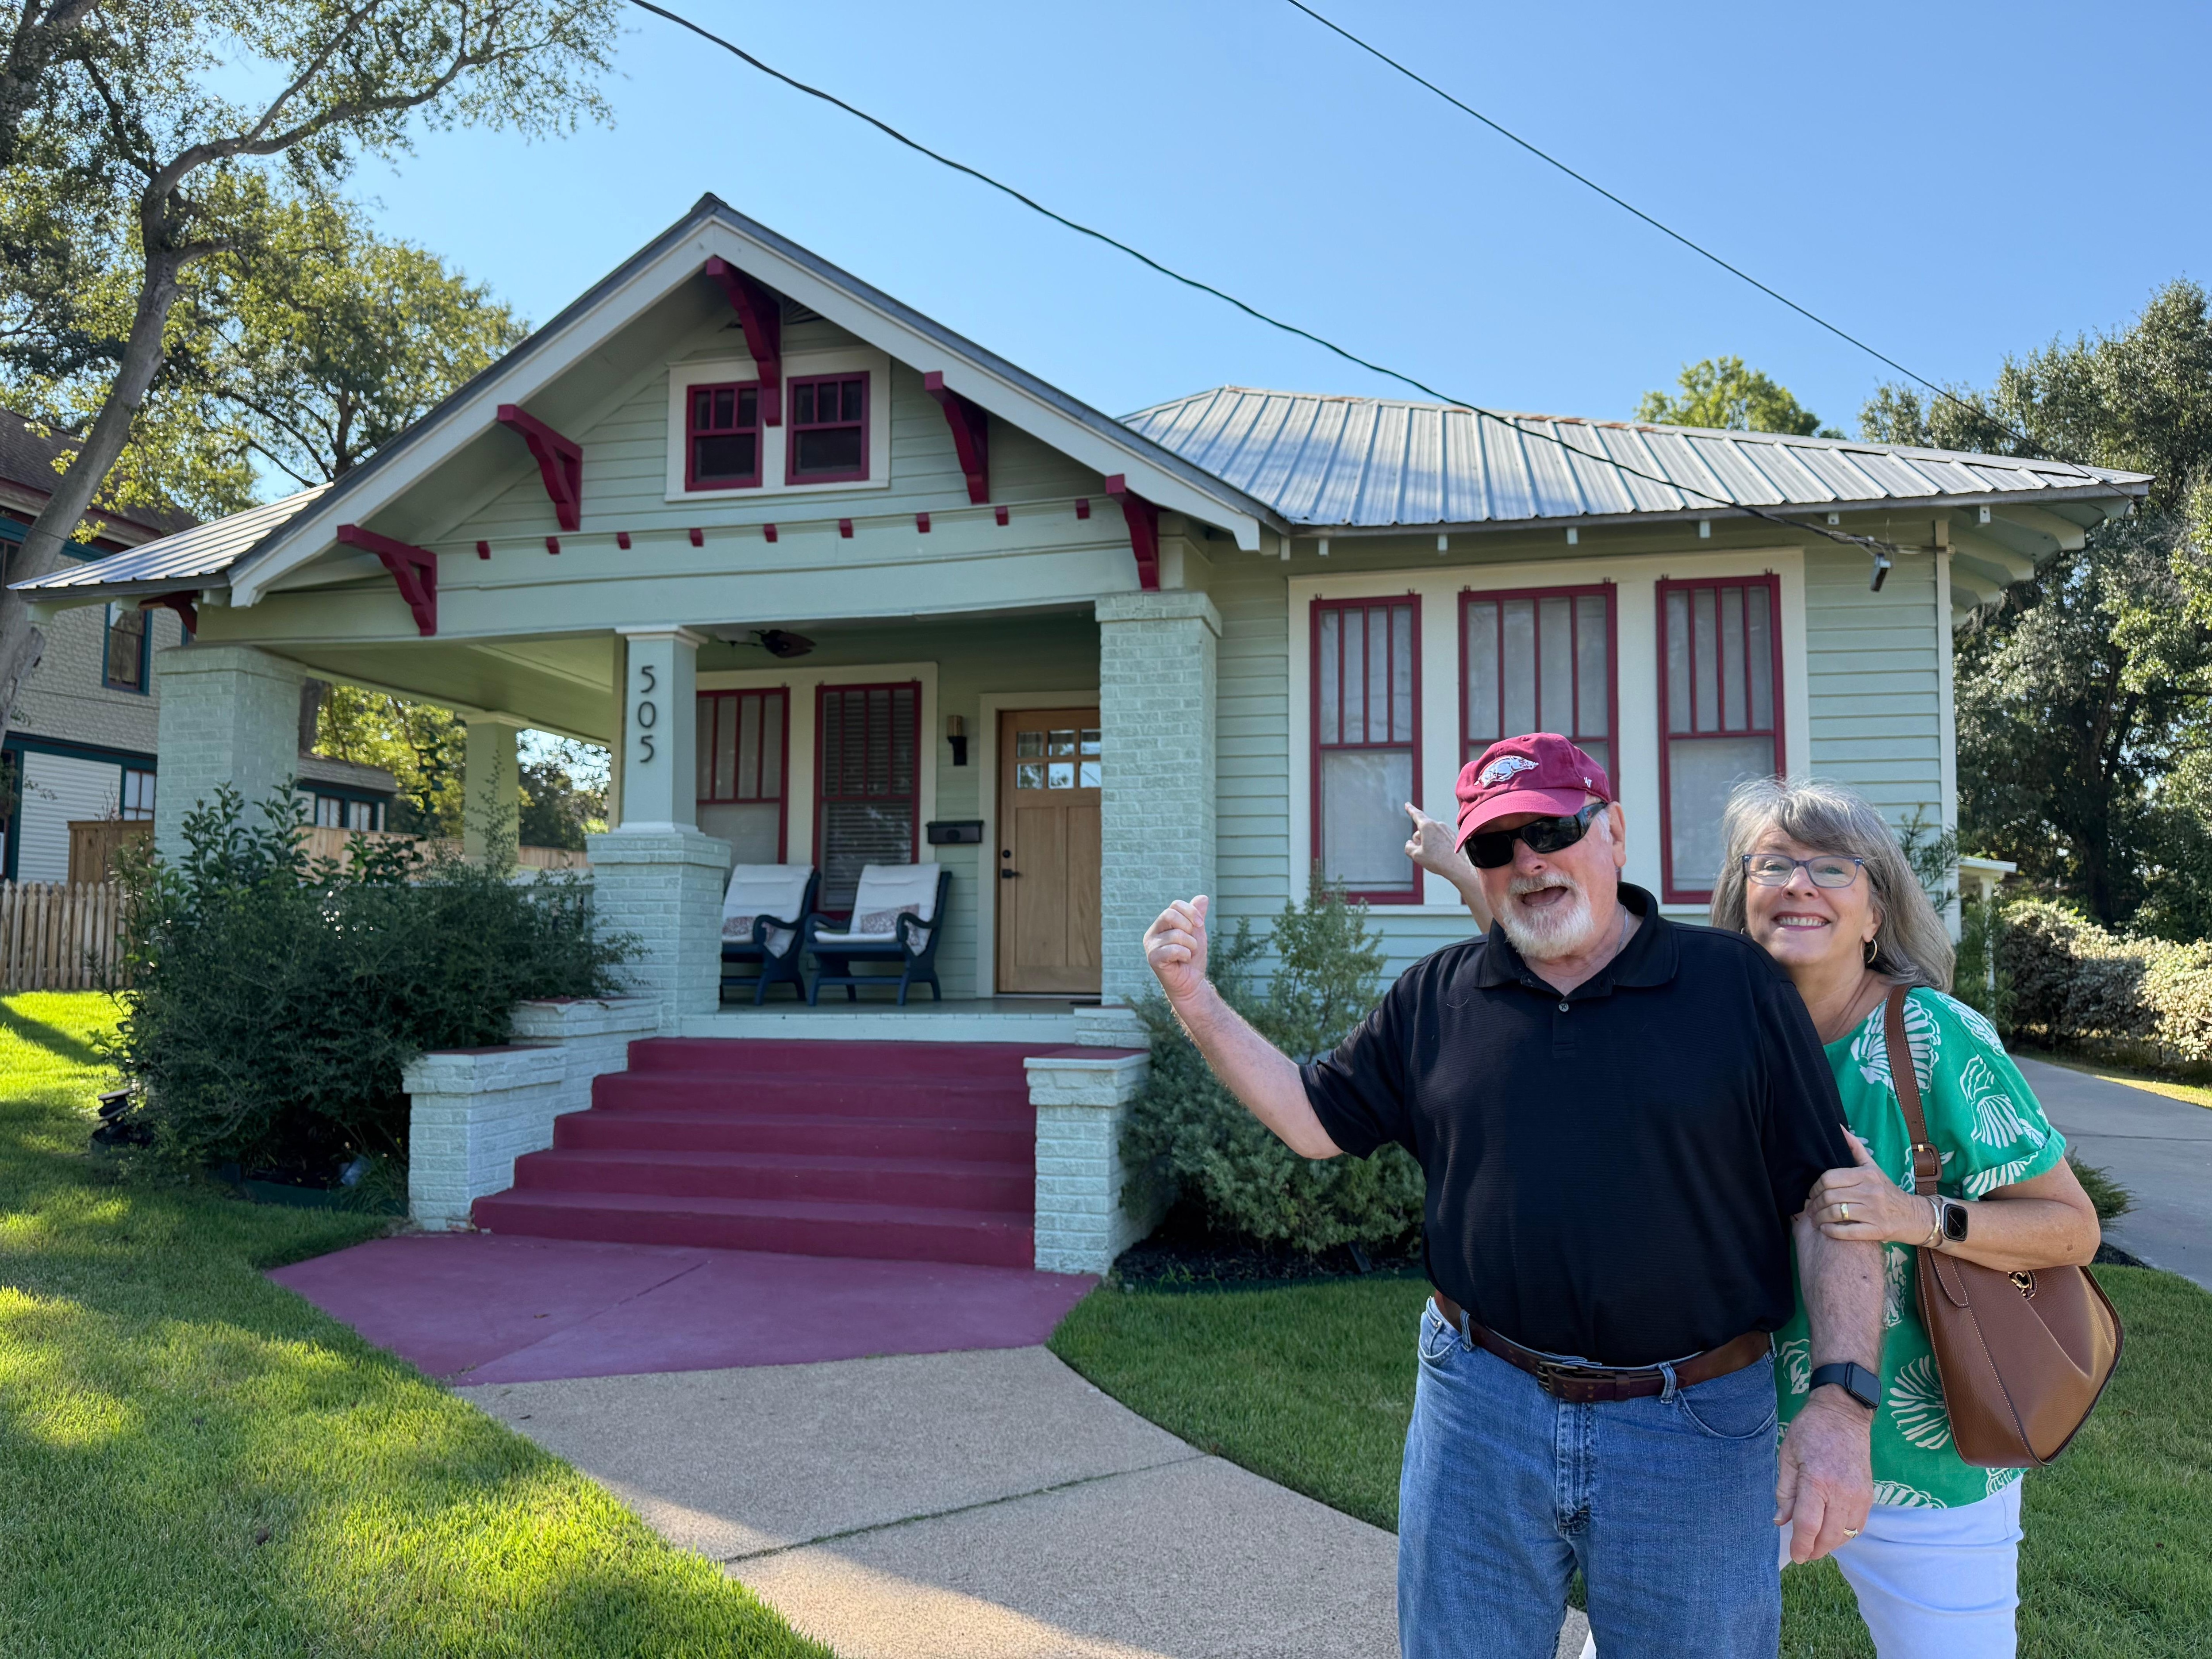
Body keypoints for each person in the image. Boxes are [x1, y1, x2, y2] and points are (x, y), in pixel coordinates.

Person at [1145, 733, 1882, 1659]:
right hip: (1479, 1411)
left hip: (1690, 1428)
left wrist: (1841, 1406)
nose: (1527, 861)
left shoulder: (1733, 988)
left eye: (1551, 829)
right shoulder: (1436, 999)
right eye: (1496, 846)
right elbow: (1310, 1118)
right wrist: (1193, 996)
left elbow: (1828, 1204)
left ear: (1612, 830)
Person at [1712, 776, 2100, 1659]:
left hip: (1926, 1453)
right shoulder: (1713, 1040)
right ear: (1741, 899)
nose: (1799, 885)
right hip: (1734, 1437)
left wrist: (1914, 1215)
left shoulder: (1931, 1036)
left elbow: (2070, 1230)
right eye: (1773, 865)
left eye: (1830, 869)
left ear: (1875, 911)